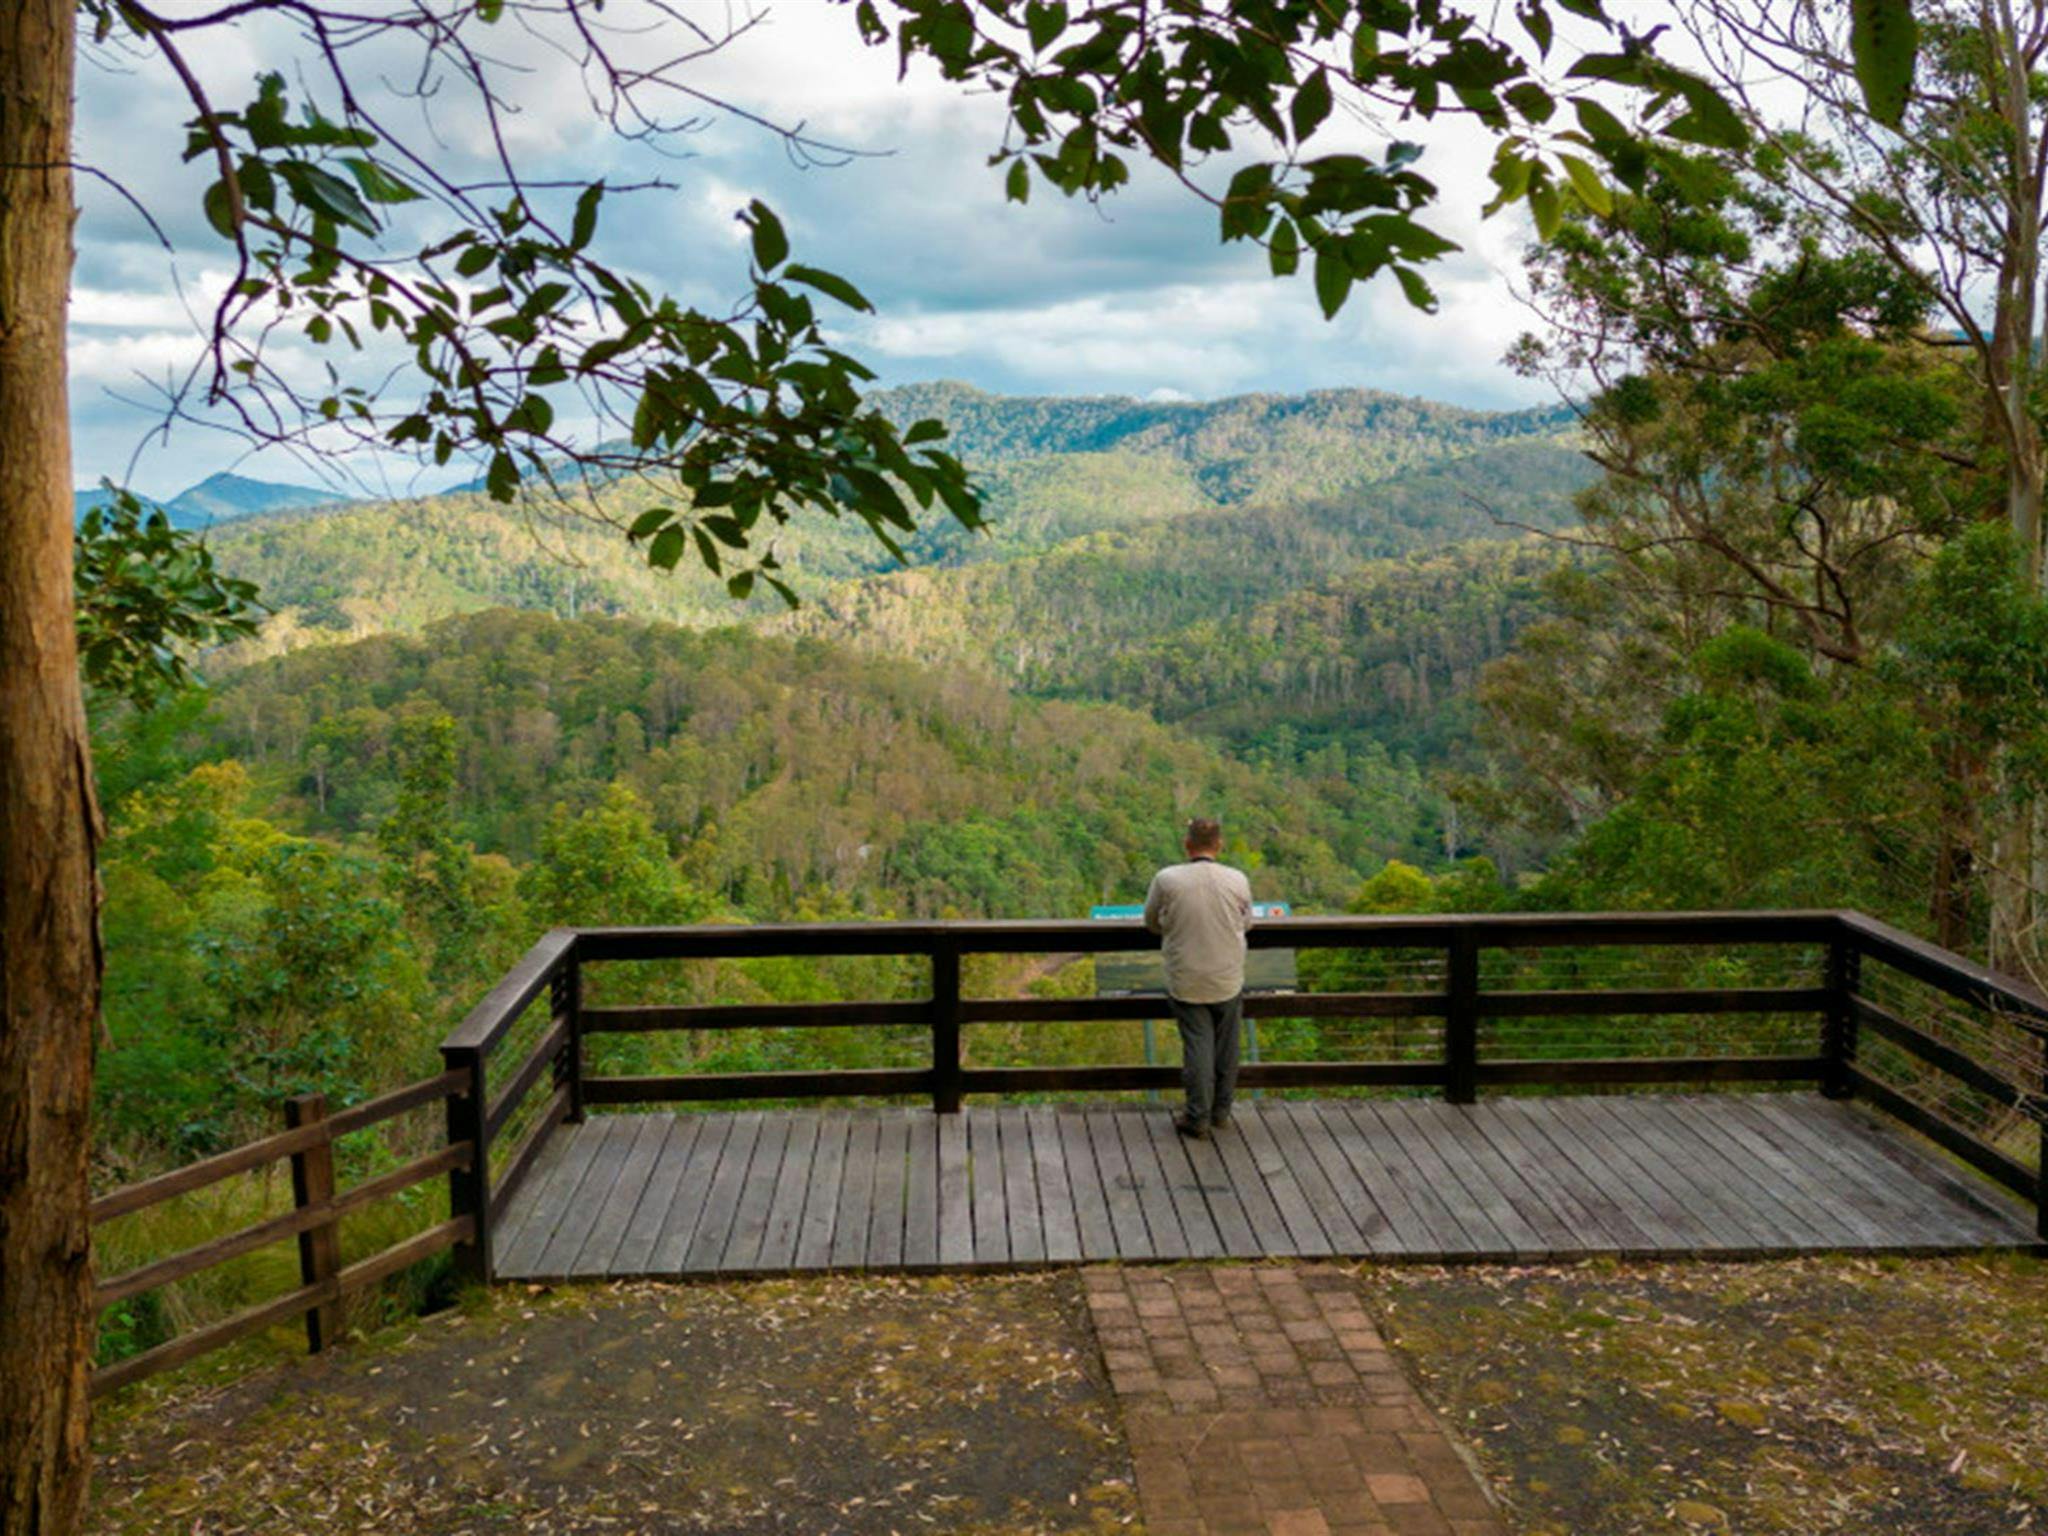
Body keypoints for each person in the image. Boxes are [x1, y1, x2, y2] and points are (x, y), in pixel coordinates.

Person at [1143, 817, 1254, 1139]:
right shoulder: (1237, 879)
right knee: (1227, 1048)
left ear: (1187, 845)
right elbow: (1246, 922)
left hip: (1186, 977)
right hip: (1227, 976)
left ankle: (1197, 1117)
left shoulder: (1167, 880)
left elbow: (1150, 922)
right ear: (1219, 845)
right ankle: (1221, 1113)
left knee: (1197, 1047)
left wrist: (1172, 925)